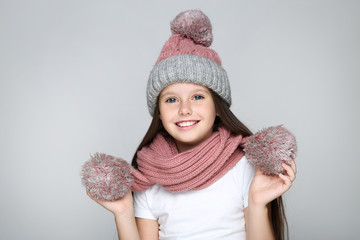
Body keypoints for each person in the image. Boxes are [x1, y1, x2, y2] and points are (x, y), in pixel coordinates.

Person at [87, 9, 296, 240]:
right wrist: (124, 212)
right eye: (171, 99)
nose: (184, 109)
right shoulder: (148, 178)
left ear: (217, 107)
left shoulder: (243, 166)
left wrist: (257, 203)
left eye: (197, 97)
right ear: (158, 113)